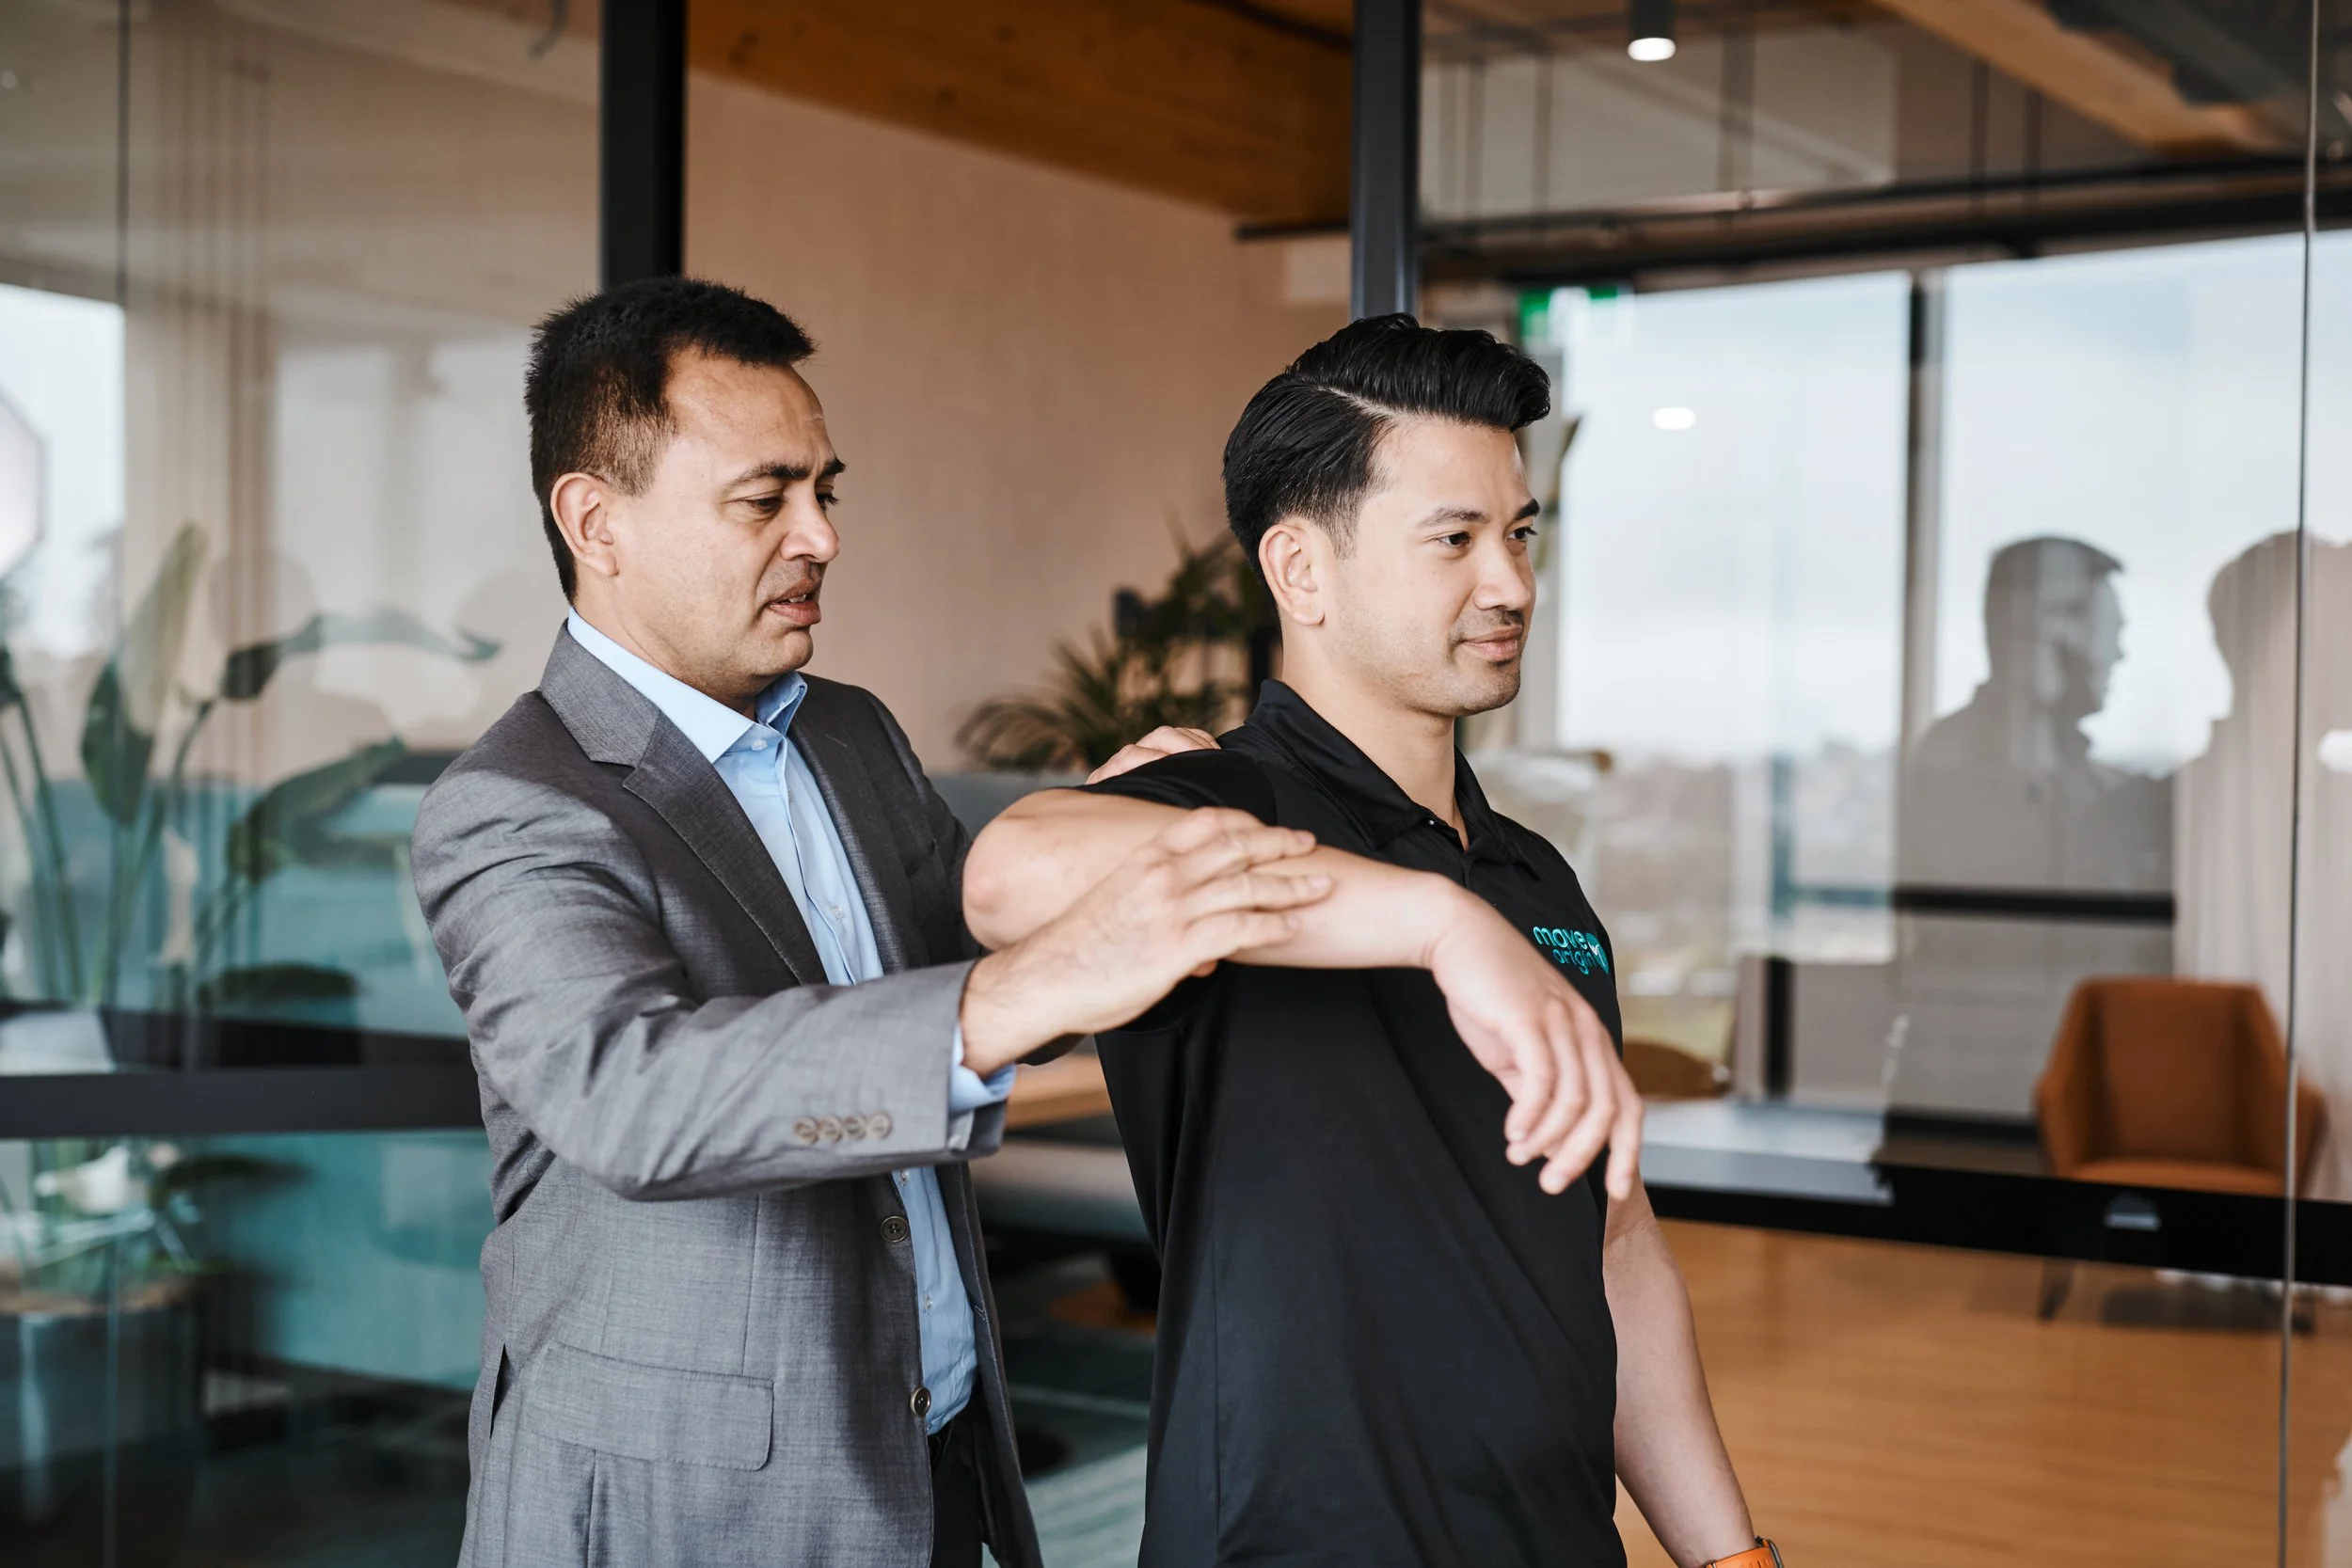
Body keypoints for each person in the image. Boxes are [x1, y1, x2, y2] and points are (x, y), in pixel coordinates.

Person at [409, 277, 1338, 1568]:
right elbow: (633, 1095)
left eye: (825, 491)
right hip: (688, 1511)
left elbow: (981, 999)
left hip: (936, 1453)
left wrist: (1087, 859)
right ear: (595, 520)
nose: (822, 538)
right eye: (765, 498)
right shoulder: (513, 804)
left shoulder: (850, 730)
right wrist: (1027, 984)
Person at [964, 315, 1772, 1567]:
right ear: (1301, 571)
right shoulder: (1217, 810)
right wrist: (1435, 925)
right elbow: (1011, 871)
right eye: (1452, 539)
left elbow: (1614, 1240)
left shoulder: (1536, 877)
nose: (1509, 584)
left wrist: (1731, 1557)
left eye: (1518, 535)